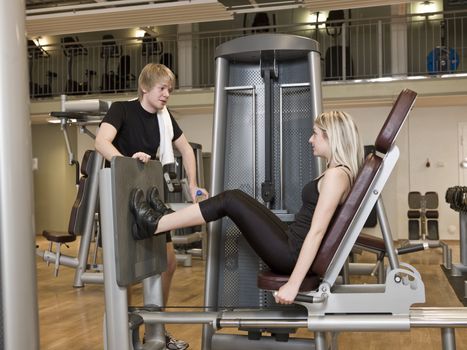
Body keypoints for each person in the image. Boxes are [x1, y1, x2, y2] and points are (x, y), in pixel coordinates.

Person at [129, 110, 363, 305]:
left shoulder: (336, 176)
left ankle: (155, 224)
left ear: (331, 136)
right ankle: (163, 218)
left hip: (290, 253)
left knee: (230, 200)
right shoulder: (338, 172)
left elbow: (317, 232)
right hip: (291, 241)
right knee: (237, 196)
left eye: (315, 134)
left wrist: (293, 284)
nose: (311, 139)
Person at [95, 63, 207, 350]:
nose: (167, 94)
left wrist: (192, 184)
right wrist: (129, 163)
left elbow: (185, 150)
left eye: (170, 89)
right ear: (145, 87)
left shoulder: (165, 117)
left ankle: (156, 330)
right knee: (125, 270)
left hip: (148, 196)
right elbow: (101, 141)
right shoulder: (122, 109)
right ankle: (123, 330)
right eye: (162, 88)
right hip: (122, 195)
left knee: (166, 263)